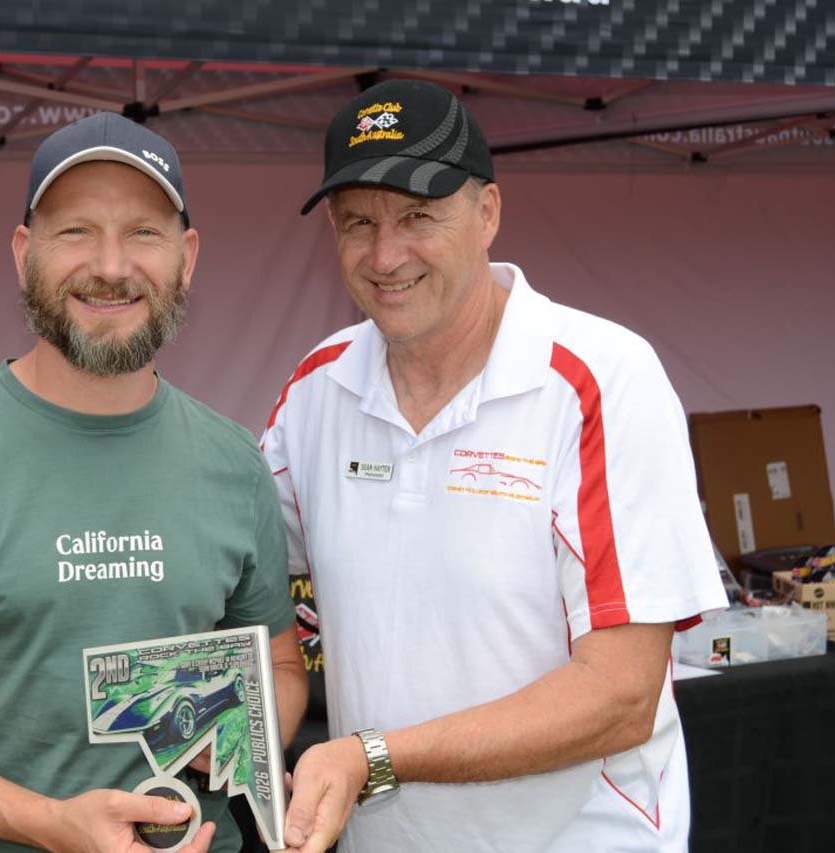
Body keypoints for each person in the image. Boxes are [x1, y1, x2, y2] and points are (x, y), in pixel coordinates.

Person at [0, 112, 307, 853]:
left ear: (187, 258)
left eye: (143, 232)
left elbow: (280, 666)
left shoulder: (235, 461)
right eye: (75, 231)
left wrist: (240, 726)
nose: (110, 265)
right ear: (23, 254)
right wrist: (48, 824)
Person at [261, 80, 727, 853]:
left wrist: (375, 755)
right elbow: (229, 567)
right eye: (358, 223)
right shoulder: (317, 388)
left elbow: (621, 694)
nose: (385, 255)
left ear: (487, 213)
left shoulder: (601, 380)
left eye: (418, 216)